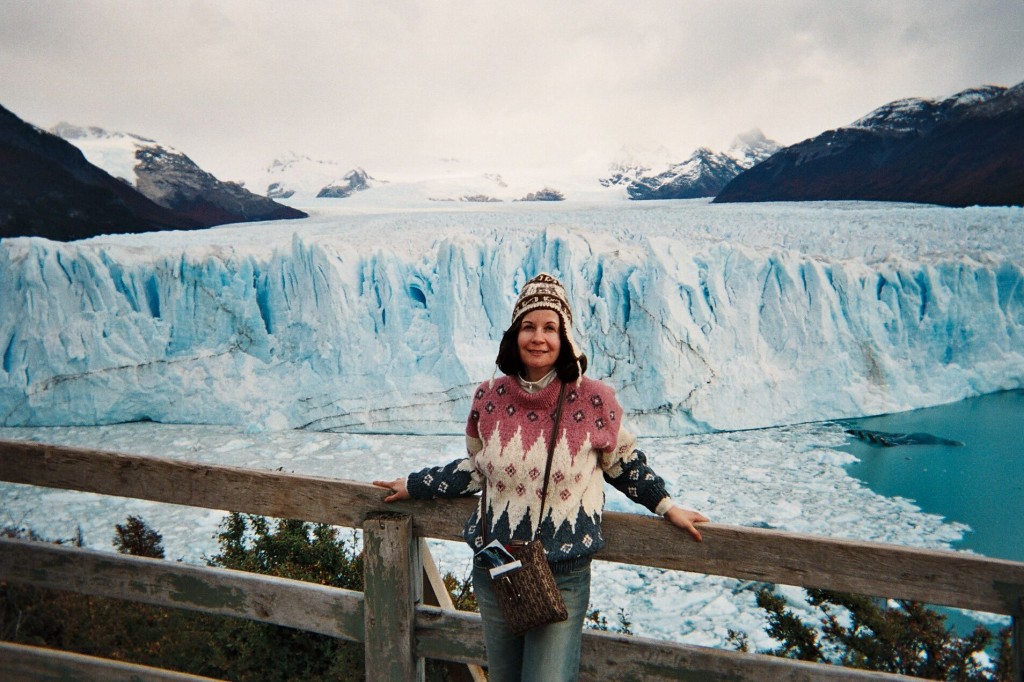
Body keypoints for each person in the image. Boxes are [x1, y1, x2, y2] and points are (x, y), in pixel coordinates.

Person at [374, 272, 708, 682]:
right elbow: (478, 470)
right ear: (514, 335)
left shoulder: (594, 399)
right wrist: (414, 484)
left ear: (565, 337)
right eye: (528, 326)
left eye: (550, 327)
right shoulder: (489, 398)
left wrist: (667, 506)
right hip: (496, 564)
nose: (538, 337)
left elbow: (622, 462)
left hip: (562, 570)